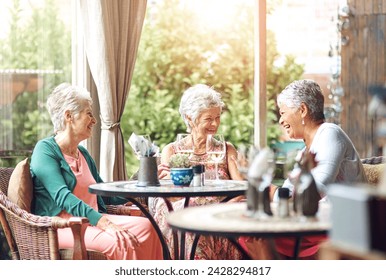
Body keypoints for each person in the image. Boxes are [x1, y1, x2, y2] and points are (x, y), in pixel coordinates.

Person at [30, 83, 163, 260]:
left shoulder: (82, 153)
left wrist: (141, 180)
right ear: (69, 116)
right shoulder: (45, 150)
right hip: (63, 227)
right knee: (121, 241)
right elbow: (62, 196)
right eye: (89, 114)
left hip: (92, 221)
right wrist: (104, 222)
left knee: (148, 227)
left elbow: (105, 193)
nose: (94, 120)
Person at [242, 79, 367, 260]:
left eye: (283, 112)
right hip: (312, 224)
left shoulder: (330, 133)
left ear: (302, 110)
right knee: (249, 228)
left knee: (255, 232)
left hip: (336, 227)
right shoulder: (304, 152)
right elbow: (288, 191)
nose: (281, 120)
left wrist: (267, 190)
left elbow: (315, 190)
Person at [150, 84, 244, 259]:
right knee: (189, 222)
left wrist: (218, 208)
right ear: (190, 118)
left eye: (218, 117)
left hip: (220, 213)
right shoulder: (172, 151)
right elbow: (170, 197)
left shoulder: (226, 149)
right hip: (187, 212)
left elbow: (242, 189)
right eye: (208, 118)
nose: (215, 124)